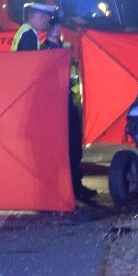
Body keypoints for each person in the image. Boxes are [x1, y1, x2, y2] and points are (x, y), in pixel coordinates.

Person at [40, 17, 97, 201]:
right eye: (53, 27)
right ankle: (59, 190)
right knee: (58, 151)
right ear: (48, 29)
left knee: (75, 148)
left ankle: (76, 186)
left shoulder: (67, 47)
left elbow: (75, 75)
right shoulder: (44, 49)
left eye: (59, 27)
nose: (57, 30)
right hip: (55, 107)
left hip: (71, 104)